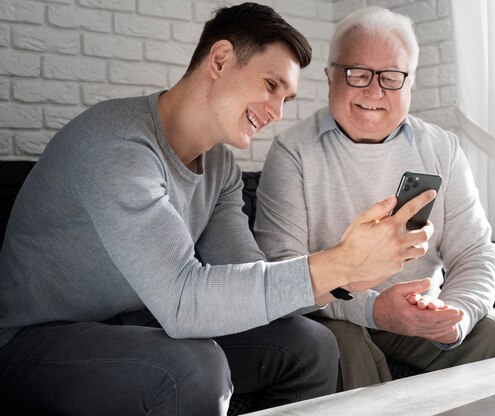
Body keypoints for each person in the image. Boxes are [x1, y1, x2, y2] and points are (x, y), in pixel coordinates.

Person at [0, 3, 436, 415]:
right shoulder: (118, 146)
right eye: (271, 86)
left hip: (136, 323)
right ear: (221, 59)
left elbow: (250, 278)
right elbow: (184, 300)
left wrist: (349, 274)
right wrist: (335, 263)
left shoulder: (220, 166)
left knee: (310, 343)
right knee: (190, 365)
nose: (277, 112)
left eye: (286, 98)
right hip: (35, 342)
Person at [255, 6, 495, 392]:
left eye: (392, 77)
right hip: (335, 316)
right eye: (357, 73)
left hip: (420, 315)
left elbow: (475, 255)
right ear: (330, 77)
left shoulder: (443, 149)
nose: (374, 91)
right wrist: (374, 310)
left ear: (410, 83)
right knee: (340, 344)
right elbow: (284, 271)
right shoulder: (292, 152)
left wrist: (454, 317)